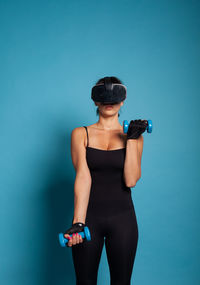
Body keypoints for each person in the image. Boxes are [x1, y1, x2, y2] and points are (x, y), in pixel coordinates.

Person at [64, 76, 146, 285]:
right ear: (95, 100)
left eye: (114, 97)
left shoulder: (134, 135)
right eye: (103, 97)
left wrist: (133, 140)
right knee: (85, 281)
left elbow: (131, 180)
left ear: (123, 100)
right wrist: (78, 222)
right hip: (90, 217)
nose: (109, 102)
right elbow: (83, 176)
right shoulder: (81, 134)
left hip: (123, 219)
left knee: (121, 282)